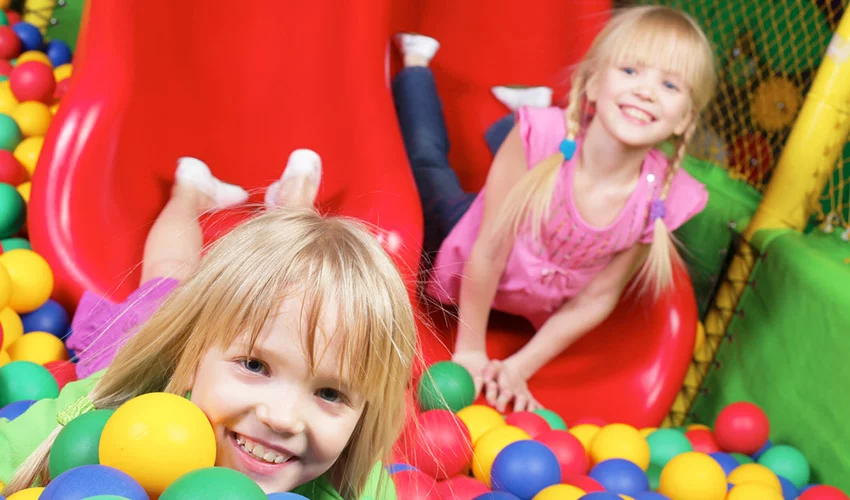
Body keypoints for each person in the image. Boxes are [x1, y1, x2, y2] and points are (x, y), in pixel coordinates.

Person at [1, 151, 417, 499]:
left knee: (291, 261)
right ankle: (190, 193)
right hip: (158, 329)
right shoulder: (115, 412)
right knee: (167, 275)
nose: (282, 418)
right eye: (254, 365)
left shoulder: (358, 487)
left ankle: (295, 203)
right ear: (192, 353)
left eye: (330, 393)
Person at [392, 5, 716, 412]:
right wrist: (471, 349)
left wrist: (520, 367)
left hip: (530, 280)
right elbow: (488, 249)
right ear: (593, 85)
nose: (646, 91)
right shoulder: (539, 138)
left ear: (684, 119)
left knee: (542, 150)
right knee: (429, 164)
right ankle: (416, 65)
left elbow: (597, 298)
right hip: (471, 238)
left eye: (670, 85)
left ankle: (522, 107)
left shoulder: (659, 198)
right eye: (630, 71)